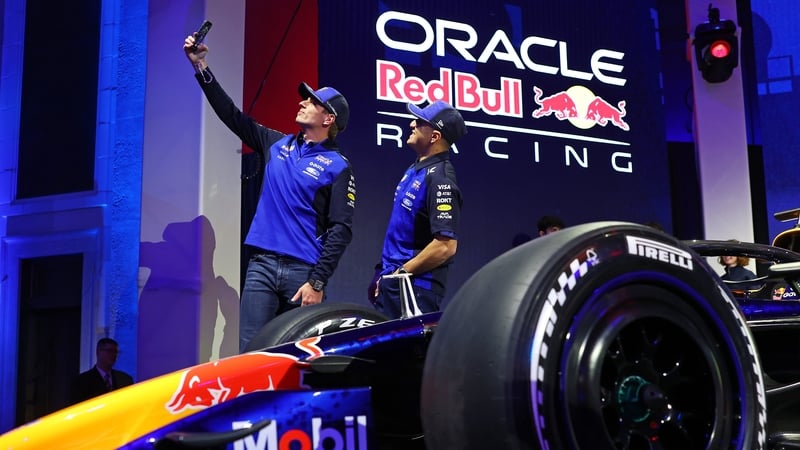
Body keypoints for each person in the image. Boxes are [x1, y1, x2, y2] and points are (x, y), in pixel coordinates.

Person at [183, 33, 356, 352]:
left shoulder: (337, 166)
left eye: (312, 101)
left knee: (298, 357)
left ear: (328, 119)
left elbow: (341, 229)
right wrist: (201, 66)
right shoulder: (276, 143)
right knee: (250, 354)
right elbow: (231, 115)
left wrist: (317, 282)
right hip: (261, 266)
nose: (303, 102)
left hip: (302, 273)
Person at [370, 100, 467, 319]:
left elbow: (446, 246)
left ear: (434, 137)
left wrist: (401, 274)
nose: (412, 124)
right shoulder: (415, 169)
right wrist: (381, 274)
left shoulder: (440, 177)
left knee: (407, 354)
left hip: (415, 288)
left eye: (420, 122)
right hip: (395, 283)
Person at [70, 338, 133, 404]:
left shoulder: (125, 380)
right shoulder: (82, 382)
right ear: (98, 352)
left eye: (115, 352)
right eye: (109, 351)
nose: (114, 355)